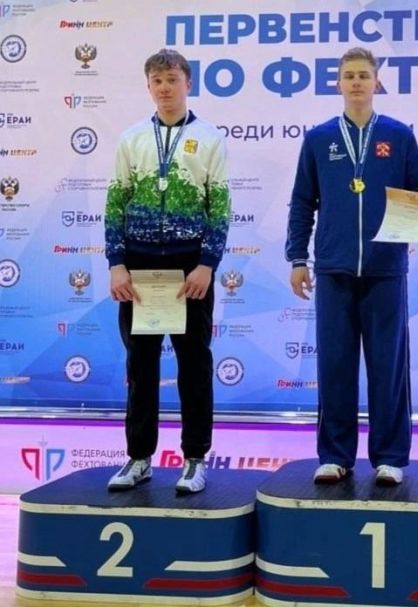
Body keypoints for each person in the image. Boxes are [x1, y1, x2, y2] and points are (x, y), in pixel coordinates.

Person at [285, 47, 418, 486]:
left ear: (377, 82)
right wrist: (298, 258)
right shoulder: (319, 139)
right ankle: (334, 455)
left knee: (388, 366)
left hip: (385, 269)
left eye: (364, 75)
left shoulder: (398, 135)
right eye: (349, 75)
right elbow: (302, 202)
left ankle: (390, 456)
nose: (357, 82)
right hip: (334, 269)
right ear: (338, 83)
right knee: (335, 366)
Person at [104, 48, 230, 494]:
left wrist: (207, 265)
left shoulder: (210, 138)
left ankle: (195, 459)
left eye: (172, 80)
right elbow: (115, 202)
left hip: (188, 269)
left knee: (194, 364)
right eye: (157, 81)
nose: (164, 88)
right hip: (138, 270)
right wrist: (117, 264)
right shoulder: (132, 138)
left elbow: (220, 207)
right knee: (141, 365)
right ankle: (139, 457)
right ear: (148, 87)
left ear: (187, 83)